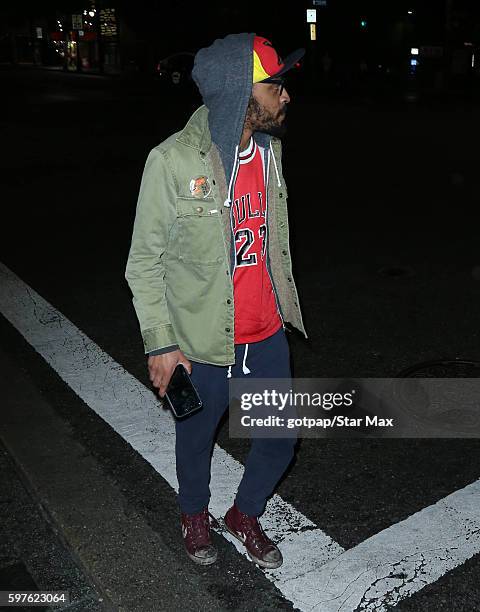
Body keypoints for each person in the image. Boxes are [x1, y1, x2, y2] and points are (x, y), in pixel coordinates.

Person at [125, 33, 307, 568]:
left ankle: (244, 513)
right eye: (275, 85)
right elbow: (143, 263)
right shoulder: (172, 162)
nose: (285, 96)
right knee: (196, 436)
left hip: (265, 331)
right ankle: (194, 511)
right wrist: (161, 345)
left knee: (280, 439)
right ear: (239, 91)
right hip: (203, 339)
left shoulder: (271, 153)